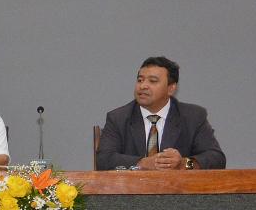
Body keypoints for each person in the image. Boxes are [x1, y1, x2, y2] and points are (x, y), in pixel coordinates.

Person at [95, 56, 225, 171]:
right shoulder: (118, 118)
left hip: (178, 194)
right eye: (140, 80)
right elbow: (104, 159)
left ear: (171, 88)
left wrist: (183, 164)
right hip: (131, 194)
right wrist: (142, 163)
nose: (143, 86)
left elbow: (216, 159)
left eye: (152, 81)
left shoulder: (193, 117)